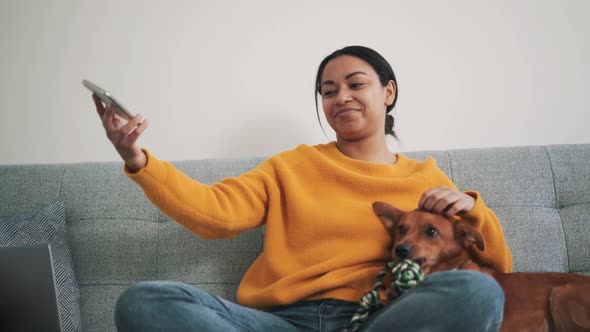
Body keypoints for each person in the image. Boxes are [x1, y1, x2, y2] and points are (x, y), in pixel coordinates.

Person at [93, 46, 512, 332]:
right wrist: (137, 159)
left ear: (388, 91)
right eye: (328, 92)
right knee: (143, 302)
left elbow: (499, 265)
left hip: (378, 320)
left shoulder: (428, 179)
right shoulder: (291, 166)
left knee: (478, 291)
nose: (341, 97)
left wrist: (470, 208)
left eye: (355, 84)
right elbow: (213, 215)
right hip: (280, 322)